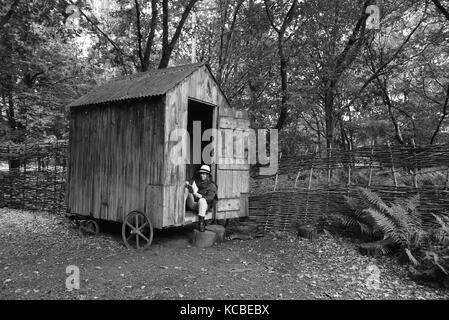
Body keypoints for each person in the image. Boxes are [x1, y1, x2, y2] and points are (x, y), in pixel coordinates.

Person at [185, 164, 217, 232]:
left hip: (204, 206)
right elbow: (190, 183)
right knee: (186, 190)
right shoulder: (197, 181)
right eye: (201, 174)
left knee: (202, 200)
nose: (202, 175)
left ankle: (201, 222)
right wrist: (187, 183)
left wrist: (201, 196)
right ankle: (180, 210)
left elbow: (210, 197)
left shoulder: (212, 185)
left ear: (208, 175)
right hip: (194, 204)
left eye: (204, 174)